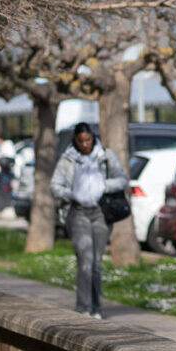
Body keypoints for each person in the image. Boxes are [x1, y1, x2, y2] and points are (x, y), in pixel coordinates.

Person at [50, 122, 126, 319]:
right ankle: (83, 307)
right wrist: (70, 193)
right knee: (85, 260)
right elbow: (55, 186)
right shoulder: (68, 159)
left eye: (88, 140)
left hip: (100, 212)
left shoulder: (105, 156)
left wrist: (104, 185)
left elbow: (122, 179)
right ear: (75, 141)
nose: (85, 144)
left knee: (96, 263)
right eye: (81, 141)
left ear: (93, 138)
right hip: (78, 213)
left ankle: (96, 307)